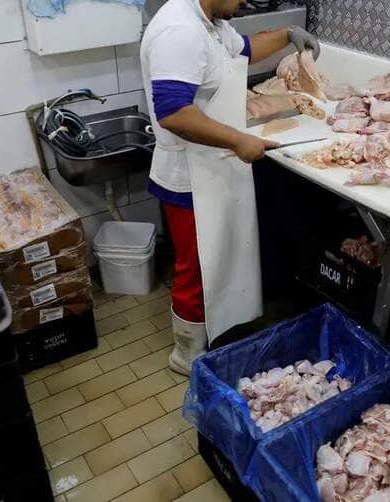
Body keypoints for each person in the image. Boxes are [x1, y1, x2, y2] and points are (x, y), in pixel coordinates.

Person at [140, 0, 320, 375]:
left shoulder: (209, 22)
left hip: (215, 165)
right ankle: (187, 357)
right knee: (196, 268)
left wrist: (288, 36)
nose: (244, 3)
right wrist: (238, 141)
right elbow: (172, 111)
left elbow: (245, 50)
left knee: (219, 257)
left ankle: (218, 335)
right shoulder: (179, 31)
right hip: (189, 173)